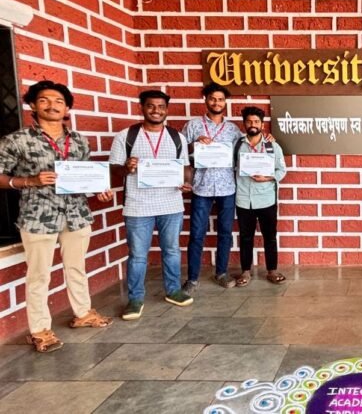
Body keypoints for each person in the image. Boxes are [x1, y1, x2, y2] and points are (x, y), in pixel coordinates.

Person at [0, 81, 113, 352]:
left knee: (77, 267)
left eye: (59, 101)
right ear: (33, 105)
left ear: (67, 108)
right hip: (39, 216)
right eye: (44, 100)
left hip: (76, 214)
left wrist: (99, 190)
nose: (52, 105)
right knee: (39, 275)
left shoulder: (79, 141)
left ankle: (83, 313)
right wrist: (27, 181)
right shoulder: (17, 140)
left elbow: (84, 176)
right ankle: (39, 330)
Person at [109, 90, 193, 320]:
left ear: (167, 110)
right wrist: (126, 167)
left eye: (161, 106)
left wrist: (187, 182)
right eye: (151, 106)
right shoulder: (126, 136)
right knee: (137, 255)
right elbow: (113, 169)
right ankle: (135, 299)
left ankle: (173, 290)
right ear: (142, 108)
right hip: (138, 206)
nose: (156, 110)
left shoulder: (177, 137)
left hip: (171, 204)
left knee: (172, 250)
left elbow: (185, 167)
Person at [181, 83, 243, 293]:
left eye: (221, 99)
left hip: (227, 187)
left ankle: (222, 273)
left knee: (225, 232)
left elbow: (243, 153)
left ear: (225, 103)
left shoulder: (233, 129)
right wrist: (194, 144)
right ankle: (192, 278)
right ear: (206, 100)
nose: (217, 103)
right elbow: (179, 153)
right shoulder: (193, 126)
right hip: (201, 187)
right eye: (213, 99)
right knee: (196, 234)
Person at [234, 106, 287, 286]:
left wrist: (268, 177)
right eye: (249, 121)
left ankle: (272, 270)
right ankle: (245, 272)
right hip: (243, 199)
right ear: (244, 124)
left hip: (266, 199)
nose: (253, 124)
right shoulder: (237, 145)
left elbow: (282, 170)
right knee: (245, 237)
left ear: (262, 125)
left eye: (256, 121)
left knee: (270, 236)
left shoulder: (272, 146)